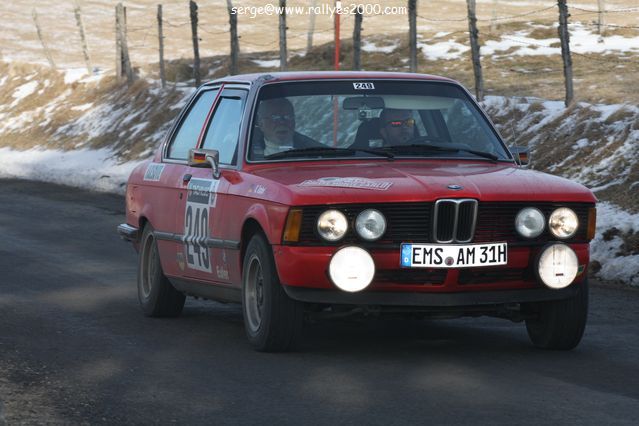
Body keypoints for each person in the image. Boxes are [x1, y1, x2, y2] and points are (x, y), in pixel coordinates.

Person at [251, 98, 318, 159]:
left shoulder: (314, 151)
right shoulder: (247, 148)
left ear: (294, 122)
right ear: (261, 124)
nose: (282, 122)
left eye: (288, 116)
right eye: (275, 117)